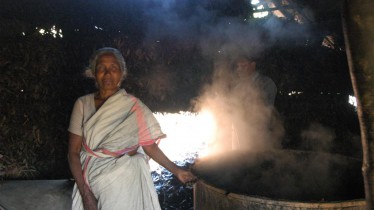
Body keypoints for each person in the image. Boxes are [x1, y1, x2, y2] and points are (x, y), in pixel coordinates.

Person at [67, 47, 196, 210]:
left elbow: (149, 146)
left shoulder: (133, 106)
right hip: (93, 178)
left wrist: (177, 171)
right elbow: (73, 153)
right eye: (101, 68)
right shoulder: (82, 104)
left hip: (127, 180)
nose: (107, 74)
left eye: (113, 68)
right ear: (93, 73)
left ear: (121, 73)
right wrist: (85, 194)